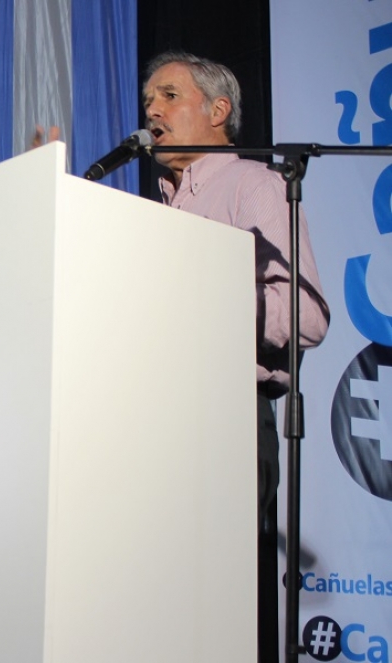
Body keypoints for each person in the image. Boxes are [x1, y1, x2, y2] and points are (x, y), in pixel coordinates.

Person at [141, 51, 330, 663]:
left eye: (169, 95)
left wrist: (210, 298)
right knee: (161, 603)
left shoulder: (252, 184)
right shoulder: (157, 209)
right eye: (149, 99)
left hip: (227, 419)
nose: (151, 109)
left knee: (217, 606)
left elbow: (306, 316)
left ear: (218, 111)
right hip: (156, 422)